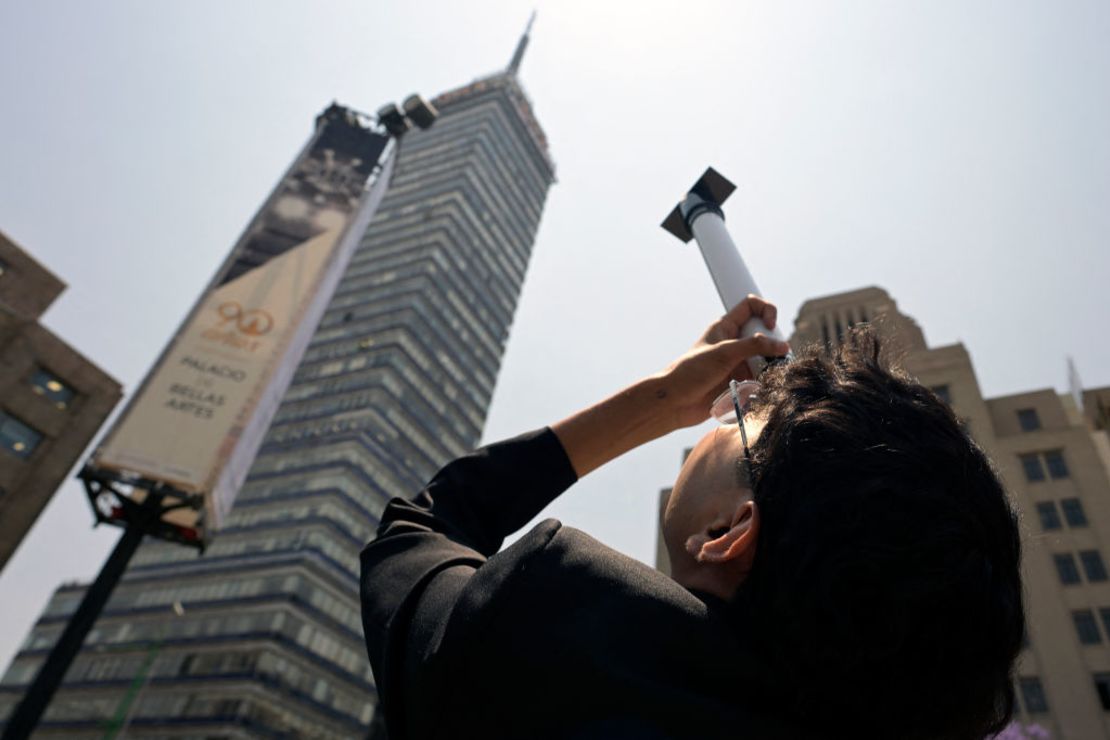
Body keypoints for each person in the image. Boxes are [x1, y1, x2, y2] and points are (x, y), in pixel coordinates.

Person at [360, 296, 1024, 740]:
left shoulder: (558, 626)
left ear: (727, 534)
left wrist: (663, 397)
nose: (724, 408)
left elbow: (424, 526)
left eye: (741, 415)